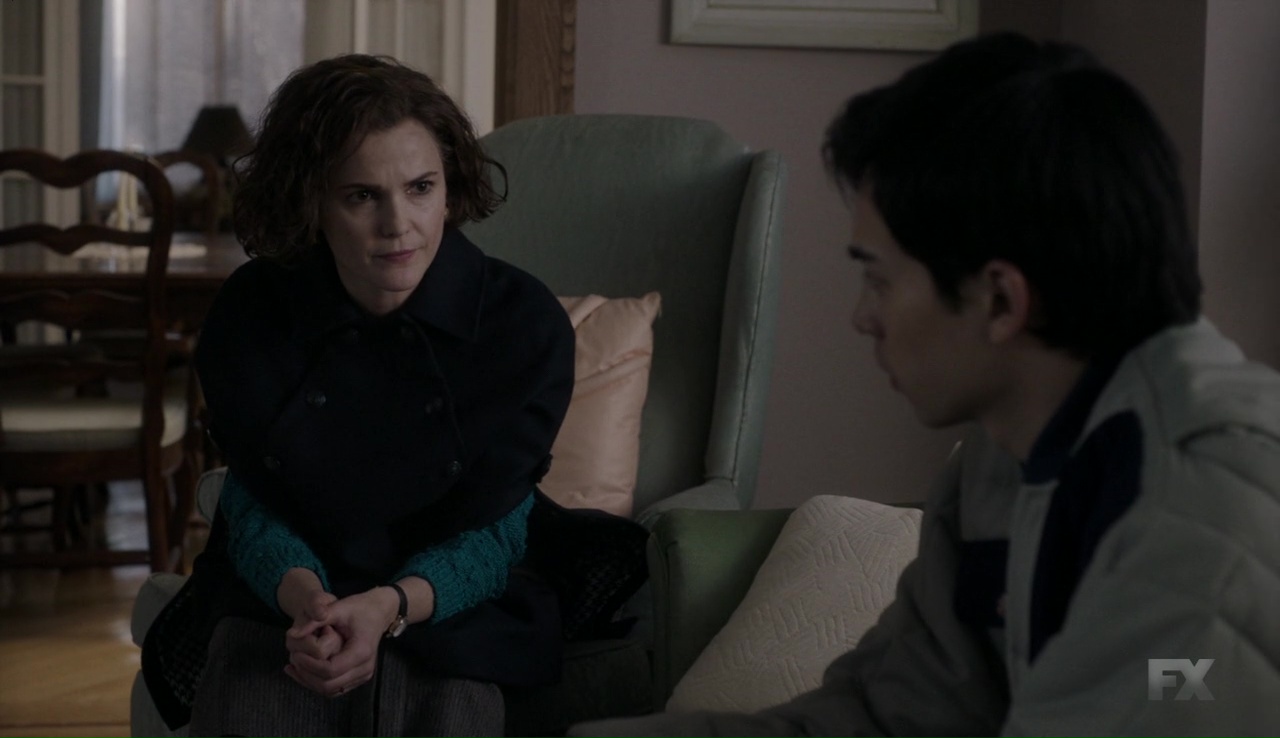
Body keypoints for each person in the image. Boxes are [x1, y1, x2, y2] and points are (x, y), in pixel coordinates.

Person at [571, 31, 1280, 738]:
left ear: (1001, 300)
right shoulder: (1003, 458)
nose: (862, 317)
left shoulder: (1205, 503)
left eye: (879, 279)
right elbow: (891, 715)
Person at [139, 54, 639, 738]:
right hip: (287, 595)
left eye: (420, 187)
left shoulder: (522, 324)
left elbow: (496, 528)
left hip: (451, 599)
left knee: (447, 692)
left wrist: (390, 606)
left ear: (449, 188)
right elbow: (251, 503)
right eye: (361, 196)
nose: (398, 224)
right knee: (251, 678)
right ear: (311, 202)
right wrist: (307, 599)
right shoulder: (250, 312)